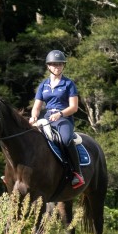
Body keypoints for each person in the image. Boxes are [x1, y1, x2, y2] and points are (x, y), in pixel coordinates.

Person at [30, 50, 85, 190]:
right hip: (47, 117)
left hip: (63, 118)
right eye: (54, 64)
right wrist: (34, 116)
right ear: (48, 66)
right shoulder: (43, 85)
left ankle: (77, 173)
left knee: (66, 139)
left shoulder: (69, 84)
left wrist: (60, 114)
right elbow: (37, 106)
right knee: (29, 138)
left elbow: (74, 107)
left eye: (60, 64)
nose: (57, 67)